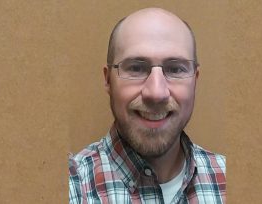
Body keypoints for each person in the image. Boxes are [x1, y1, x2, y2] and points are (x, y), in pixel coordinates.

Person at [69, 7, 226, 204]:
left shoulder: (230, 180)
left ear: (195, 80)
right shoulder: (71, 188)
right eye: (136, 68)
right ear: (108, 80)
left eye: (175, 69)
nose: (156, 93)